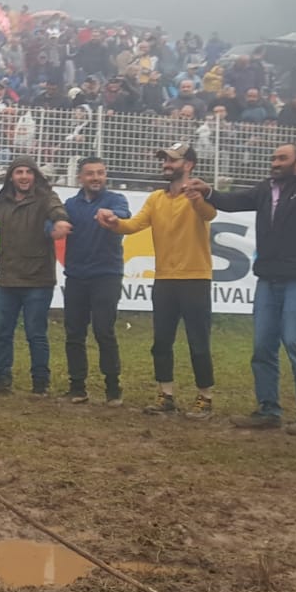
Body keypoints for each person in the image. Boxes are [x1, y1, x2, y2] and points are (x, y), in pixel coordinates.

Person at [191, 144, 296, 432]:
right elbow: (233, 200)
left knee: (295, 341)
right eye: (274, 157)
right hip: (269, 279)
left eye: (282, 158)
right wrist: (208, 191)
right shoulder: (265, 188)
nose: (274, 162)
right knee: (262, 346)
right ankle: (268, 410)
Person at [96, 140, 217, 417]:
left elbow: (210, 213)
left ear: (188, 165)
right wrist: (114, 222)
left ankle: (205, 397)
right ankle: (166, 394)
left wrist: (197, 198)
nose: (166, 164)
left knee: (199, 341)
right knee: (161, 341)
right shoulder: (156, 199)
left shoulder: (199, 194)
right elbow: (133, 225)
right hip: (164, 279)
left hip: (196, 279)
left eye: (172, 160)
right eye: (165, 160)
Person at [0, 156, 71, 394]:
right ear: (11, 176)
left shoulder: (46, 197)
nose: (23, 176)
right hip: (7, 277)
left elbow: (57, 211)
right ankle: (1, 379)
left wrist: (61, 222)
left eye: (28, 172)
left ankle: (40, 383)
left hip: (38, 280)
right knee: (2, 332)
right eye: (19, 172)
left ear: (35, 176)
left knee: (36, 334)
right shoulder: (3, 199)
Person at [60, 157, 131, 404]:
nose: (96, 178)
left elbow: (123, 215)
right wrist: (53, 227)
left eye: (100, 173)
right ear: (80, 178)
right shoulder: (71, 204)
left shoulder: (115, 200)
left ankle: (113, 387)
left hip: (106, 276)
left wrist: (112, 217)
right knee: (74, 333)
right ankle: (77, 386)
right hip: (76, 277)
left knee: (104, 331)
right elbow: (54, 219)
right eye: (90, 174)